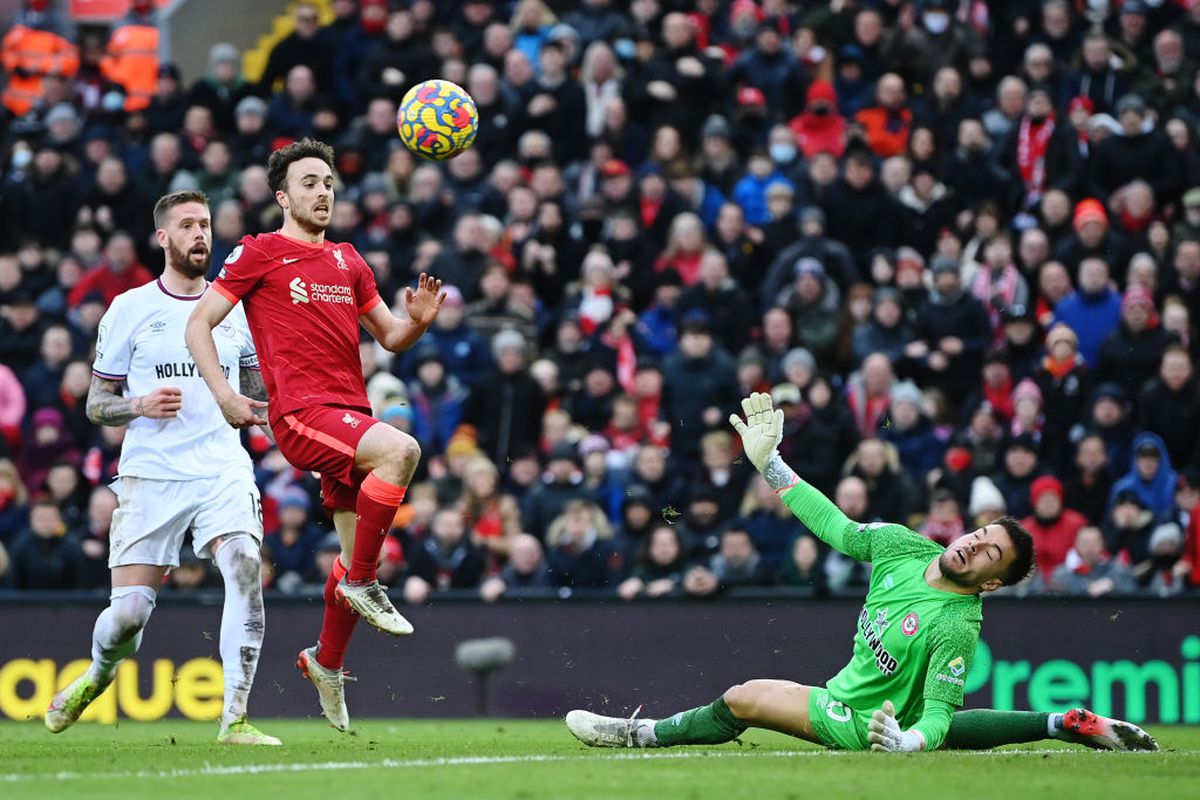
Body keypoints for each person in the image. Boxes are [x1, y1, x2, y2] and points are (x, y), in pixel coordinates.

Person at [565, 392, 1156, 754]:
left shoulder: (957, 623)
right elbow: (835, 526)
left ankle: (635, 736)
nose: (971, 547)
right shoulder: (904, 546)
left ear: (991, 584)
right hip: (841, 696)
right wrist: (771, 465)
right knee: (745, 698)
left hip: (857, 724)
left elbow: (940, 714)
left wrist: (906, 741)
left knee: (741, 698)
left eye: (986, 555)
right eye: (977, 536)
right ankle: (1059, 722)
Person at [185, 139, 445, 732]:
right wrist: (226, 395)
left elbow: (389, 337)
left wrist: (419, 324)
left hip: (347, 417)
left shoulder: (349, 260)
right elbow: (198, 323)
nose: (322, 192)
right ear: (282, 195)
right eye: (309, 183)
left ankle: (325, 662)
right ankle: (364, 584)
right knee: (402, 449)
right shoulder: (259, 253)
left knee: (353, 549)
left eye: (328, 182)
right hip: (303, 414)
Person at [45, 191, 278, 746]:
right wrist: (139, 406)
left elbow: (256, 395)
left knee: (246, 564)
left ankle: (235, 719)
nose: (201, 234)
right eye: (188, 225)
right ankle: (99, 673)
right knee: (127, 617)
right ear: (163, 238)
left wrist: (280, 415)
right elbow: (96, 404)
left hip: (221, 466)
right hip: (152, 475)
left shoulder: (233, 309)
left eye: (205, 224)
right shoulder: (129, 309)